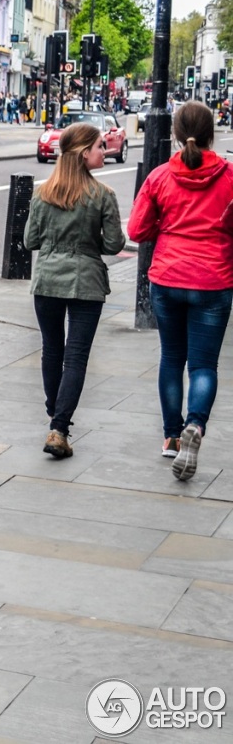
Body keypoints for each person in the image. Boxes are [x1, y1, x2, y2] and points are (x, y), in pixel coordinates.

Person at [127, 102, 233, 481]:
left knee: (172, 357)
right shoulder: (230, 176)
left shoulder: (158, 177)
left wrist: (168, 231)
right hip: (213, 280)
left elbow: (137, 231)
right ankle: (196, 426)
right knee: (203, 365)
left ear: (175, 133)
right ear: (211, 133)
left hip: (168, 278)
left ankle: (171, 437)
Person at [23, 122, 124, 459]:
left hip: (48, 281)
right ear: (83, 154)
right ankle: (59, 426)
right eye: (99, 146)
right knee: (76, 357)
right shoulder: (103, 195)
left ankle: (56, 416)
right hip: (86, 283)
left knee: (52, 350)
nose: (104, 150)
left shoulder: (42, 193)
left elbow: (30, 241)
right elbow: (113, 245)